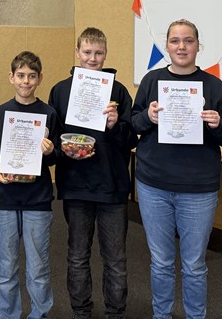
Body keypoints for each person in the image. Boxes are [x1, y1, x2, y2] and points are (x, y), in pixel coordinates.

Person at [131, 19, 222, 319]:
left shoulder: (214, 86)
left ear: (197, 46)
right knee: (161, 262)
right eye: (175, 41)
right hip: (154, 185)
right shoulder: (152, 81)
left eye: (188, 41)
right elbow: (133, 122)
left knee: (194, 264)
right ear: (167, 46)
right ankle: (161, 315)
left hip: (198, 188)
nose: (182, 47)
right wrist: (148, 117)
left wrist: (218, 124)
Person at [48, 27, 136, 319]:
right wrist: (63, 150)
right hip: (76, 184)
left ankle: (116, 313)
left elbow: (130, 139)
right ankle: (81, 311)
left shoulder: (118, 91)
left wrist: (115, 125)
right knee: (77, 255)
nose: (93, 58)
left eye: (99, 53)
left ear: (106, 54)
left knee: (116, 259)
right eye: (87, 52)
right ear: (77, 52)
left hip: (112, 186)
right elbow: (54, 139)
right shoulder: (60, 91)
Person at [0, 51, 60, 319]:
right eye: (20, 75)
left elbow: (56, 157)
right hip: (5, 198)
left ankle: (39, 315)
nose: (26, 81)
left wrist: (50, 151)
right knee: (6, 267)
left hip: (37, 199)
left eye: (31, 76)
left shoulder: (49, 113)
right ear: (11, 77)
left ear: (40, 79)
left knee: (38, 268)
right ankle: (9, 315)